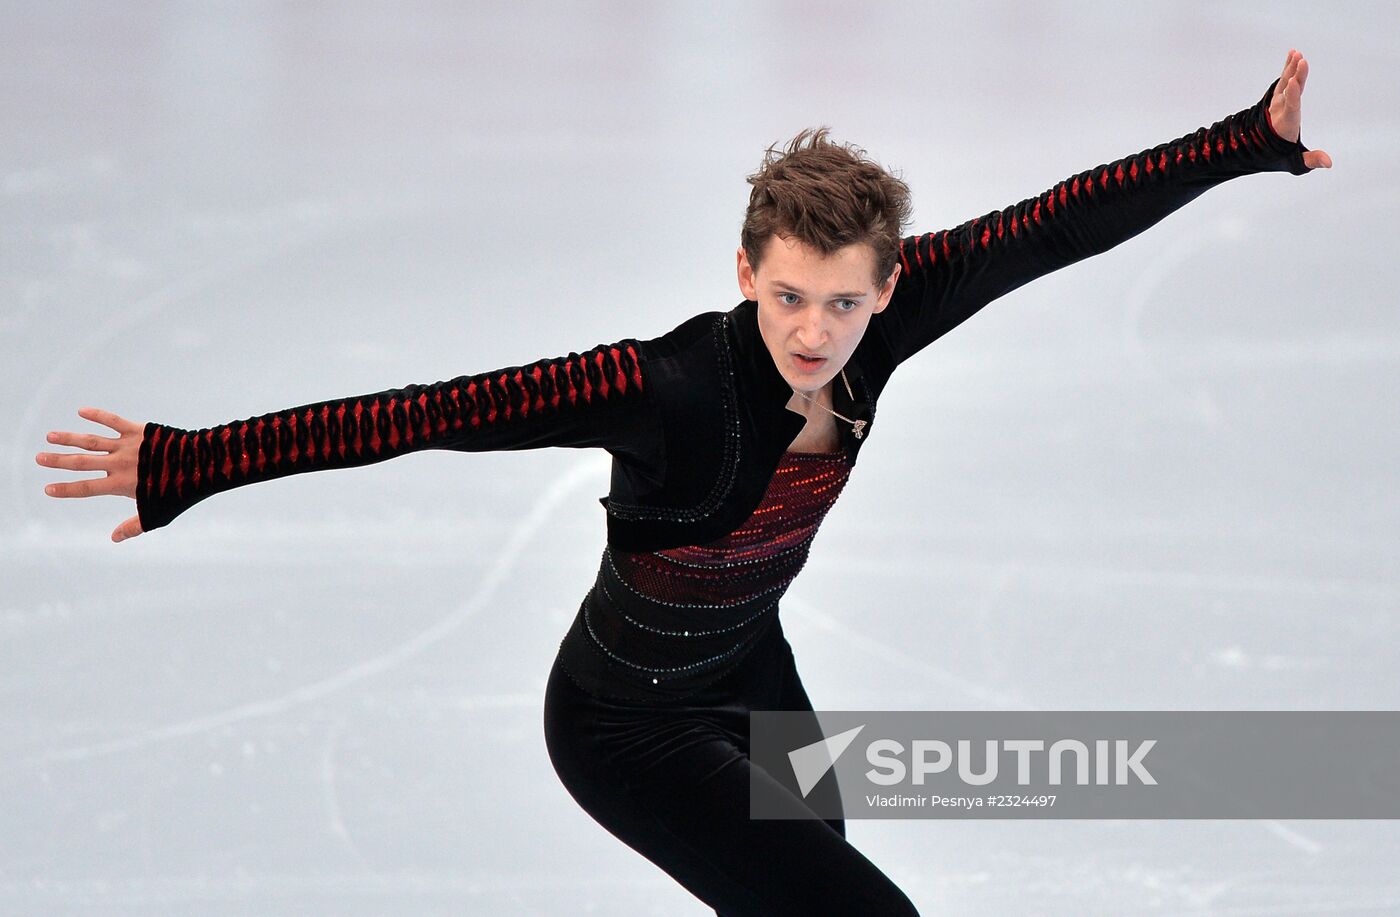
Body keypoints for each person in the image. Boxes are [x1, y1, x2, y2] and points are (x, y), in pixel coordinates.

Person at [37, 51, 1330, 915]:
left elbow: (1055, 221)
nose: (812, 330)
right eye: (784, 295)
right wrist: (194, 459)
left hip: (749, 676)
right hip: (623, 728)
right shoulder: (663, 386)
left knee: (815, 890)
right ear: (743, 267)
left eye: (841, 300)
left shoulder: (896, 306)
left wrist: (1243, 141)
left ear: (885, 286)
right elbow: (424, 414)